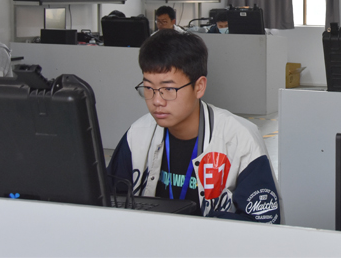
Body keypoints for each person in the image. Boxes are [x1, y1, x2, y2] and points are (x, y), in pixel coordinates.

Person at [107, 30, 280, 223]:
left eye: (168, 89)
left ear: (199, 87)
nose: (156, 100)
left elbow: (264, 224)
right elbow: (107, 203)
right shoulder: (137, 135)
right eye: (149, 88)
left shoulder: (240, 139)